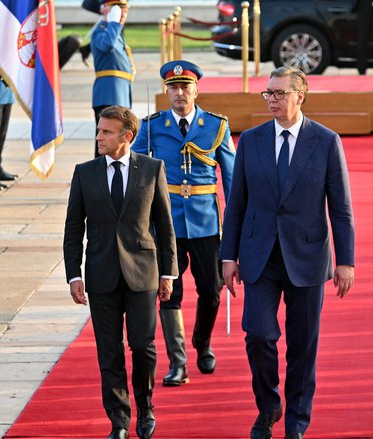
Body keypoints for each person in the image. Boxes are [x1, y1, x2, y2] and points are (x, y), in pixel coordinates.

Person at [220, 66, 355, 439]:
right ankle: (269, 406)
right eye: (268, 93)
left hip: (308, 258)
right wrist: (228, 255)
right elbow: (236, 203)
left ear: (300, 96)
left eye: (280, 93)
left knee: (303, 346)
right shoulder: (249, 140)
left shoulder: (326, 141)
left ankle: (296, 423)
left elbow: (340, 208)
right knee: (259, 335)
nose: (272, 100)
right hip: (260, 256)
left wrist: (345, 262)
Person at [64, 106, 178, 439]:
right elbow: (73, 229)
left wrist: (168, 273)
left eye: (106, 132)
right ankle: (118, 420)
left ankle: (145, 408)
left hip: (143, 274)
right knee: (109, 351)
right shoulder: (85, 172)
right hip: (100, 276)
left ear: (127, 137)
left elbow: (164, 226)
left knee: (143, 346)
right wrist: (74, 275)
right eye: (98, 130)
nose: (99, 137)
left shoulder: (152, 169)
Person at [132, 60, 235, 386]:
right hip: (167, 224)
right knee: (169, 292)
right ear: (166, 91)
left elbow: (231, 178)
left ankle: (202, 342)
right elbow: (135, 172)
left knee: (212, 290)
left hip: (205, 222)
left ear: (196, 89)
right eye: (173, 87)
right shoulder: (151, 127)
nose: (179, 93)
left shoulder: (216, 125)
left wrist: (236, 224)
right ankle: (178, 363)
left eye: (185, 86)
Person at [90, 0, 134, 158]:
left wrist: (115, 24)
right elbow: (106, 45)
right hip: (108, 93)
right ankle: (98, 179)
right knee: (105, 143)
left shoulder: (114, 32)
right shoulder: (101, 32)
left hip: (120, 93)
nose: (123, 14)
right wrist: (113, 22)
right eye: (118, 9)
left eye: (124, 10)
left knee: (117, 143)